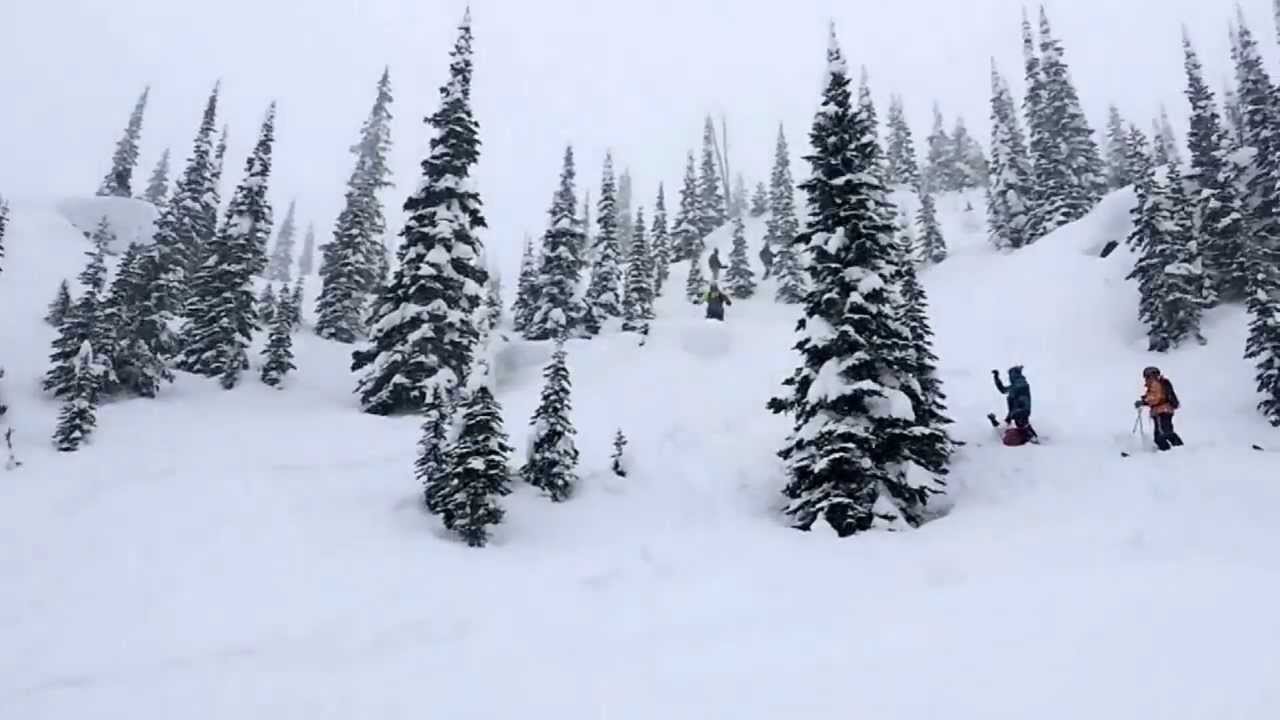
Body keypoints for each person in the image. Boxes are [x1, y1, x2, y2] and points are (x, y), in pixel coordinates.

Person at [1135, 365, 1183, 451]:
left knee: (1161, 435)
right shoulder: (1158, 384)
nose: (1145, 379)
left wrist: (1144, 401)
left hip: (1161, 411)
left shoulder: (1155, 384)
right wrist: (1145, 399)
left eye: (1146, 376)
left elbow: (1155, 398)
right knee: (1165, 431)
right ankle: (1176, 449)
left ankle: (1169, 450)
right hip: (1165, 410)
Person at [992, 365, 1038, 443]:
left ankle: (1033, 440)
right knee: (1022, 426)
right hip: (1018, 412)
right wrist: (996, 377)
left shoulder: (1021, 385)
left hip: (1021, 412)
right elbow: (1003, 390)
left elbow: (1020, 399)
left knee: (1023, 425)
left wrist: (1014, 413)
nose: (1010, 378)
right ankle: (1032, 438)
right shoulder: (1015, 386)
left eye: (1010, 375)